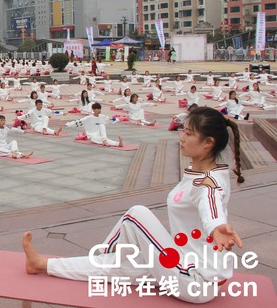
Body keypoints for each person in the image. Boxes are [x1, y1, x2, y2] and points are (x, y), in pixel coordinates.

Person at [23, 107, 245, 304]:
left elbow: (211, 202)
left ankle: (105, 254)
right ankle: (42, 265)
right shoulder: (206, 173)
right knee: (122, 268)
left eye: (188, 133)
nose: (182, 138)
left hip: (195, 280)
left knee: (136, 214)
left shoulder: (210, 182)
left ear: (208, 143)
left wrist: (216, 227)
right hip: (185, 269)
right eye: (183, 131)